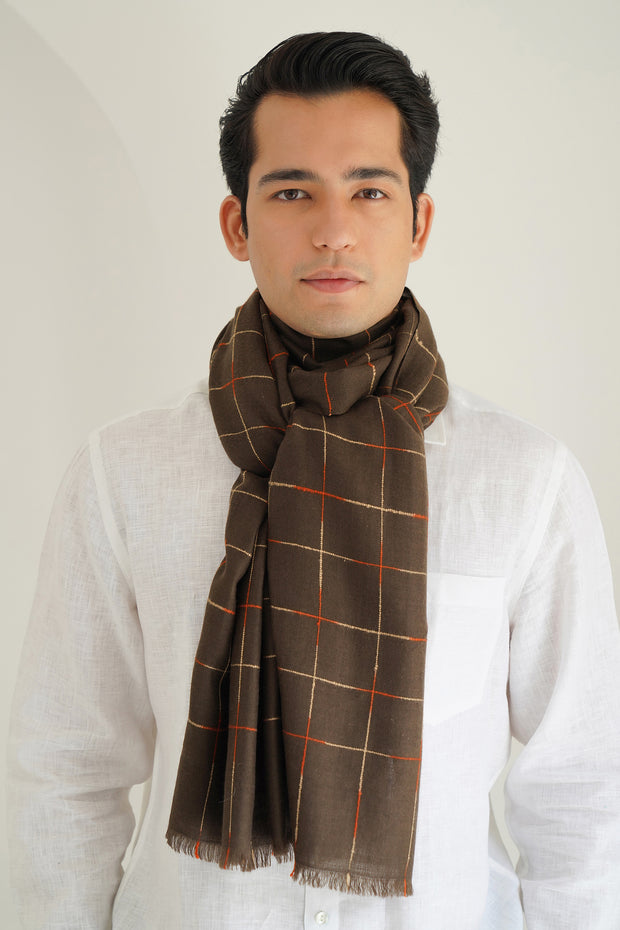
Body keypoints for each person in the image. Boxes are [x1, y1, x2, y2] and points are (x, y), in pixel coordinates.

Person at [7, 30, 620, 930]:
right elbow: (67, 771)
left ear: (418, 223)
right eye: (293, 191)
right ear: (237, 224)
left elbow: (584, 793)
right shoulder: (124, 472)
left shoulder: (525, 480)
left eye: (370, 190)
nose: (334, 228)